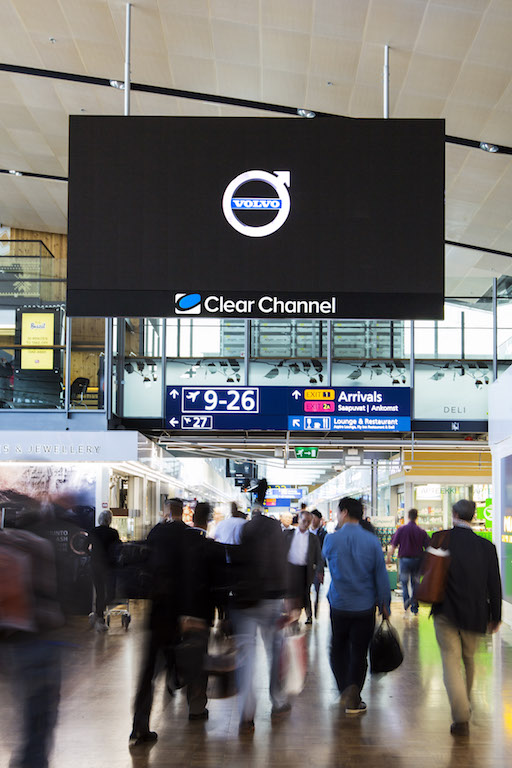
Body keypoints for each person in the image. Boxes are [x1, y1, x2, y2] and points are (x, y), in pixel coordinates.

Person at [431, 499, 502, 737]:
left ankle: (461, 716)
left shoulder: (440, 539)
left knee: (450, 661)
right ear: (473, 516)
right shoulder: (486, 547)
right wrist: (496, 616)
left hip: (445, 611)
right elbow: (494, 584)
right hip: (475, 612)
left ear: (453, 514)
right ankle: (466, 703)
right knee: (469, 659)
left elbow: (427, 571)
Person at [1, 525, 64, 768]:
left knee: (34, 721)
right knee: (38, 720)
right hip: (36, 640)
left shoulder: (17, 544)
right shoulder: (34, 544)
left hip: (22, 640)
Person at [322, 497, 391, 715]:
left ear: (344, 512)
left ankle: (344, 688)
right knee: (359, 653)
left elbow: (325, 559)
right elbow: (381, 575)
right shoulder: (372, 541)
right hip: (364, 606)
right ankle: (354, 696)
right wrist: (385, 604)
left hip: (339, 605)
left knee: (338, 648)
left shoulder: (331, 539)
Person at [130, 498, 188, 747]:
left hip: (157, 609)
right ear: (182, 511)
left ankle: (139, 724)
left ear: (166, 511)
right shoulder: (187, 535)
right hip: (179, 610)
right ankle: (178, 683)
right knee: (180, 655)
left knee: (148, 670)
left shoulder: (156, 532)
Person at [229, 503, 290, 732]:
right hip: (272, 600)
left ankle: (247, 710)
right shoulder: (276, 533)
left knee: (246, 655)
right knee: (275, 650)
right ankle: (278, 700)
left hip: (246, 601)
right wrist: (287, 598)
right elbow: (283, 566)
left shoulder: (244, 532)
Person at [179, 502, 227, 721]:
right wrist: (223, 613)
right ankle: (196, 706)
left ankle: (176, 686)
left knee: (180, 651)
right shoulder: (212, 548)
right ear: (208, 521)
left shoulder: (178, 544)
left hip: (177, 610)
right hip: (200, 612)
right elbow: (219, 584)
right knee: (199, 657)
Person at [386, 508, 430, 615]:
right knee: (415, 583)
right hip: (418, 560)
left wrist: (388, 558)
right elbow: (428, 548)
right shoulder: (421, 531)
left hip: (404, 560)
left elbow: (393, 546)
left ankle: (406, 603)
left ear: (408, 517)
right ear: (417, 517)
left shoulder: (401, 529)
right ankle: (414, 607)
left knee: (404, 582)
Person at [284, 509, 323, 625]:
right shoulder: (288, 534)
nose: (306, 524)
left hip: (305, 570)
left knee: (305, 594)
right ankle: (292, 617)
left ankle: (307, 614)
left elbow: (318, 556)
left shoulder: (313, 538)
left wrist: (320, 571)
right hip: (289, 570)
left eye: (308, 522)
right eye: (304, 521)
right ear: (299, 519)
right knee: (290, 594)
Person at [88, 510, 120, 631]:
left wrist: (92, 555)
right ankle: (99, 615)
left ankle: (99, 616)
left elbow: (84, 546)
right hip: (109, 566)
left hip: (95, 565)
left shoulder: (93, 531)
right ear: (109, 520)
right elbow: (118, 548)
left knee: (99, 592)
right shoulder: (113, 533)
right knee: (111, 594)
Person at [309, 510, 327, 619]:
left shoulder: (323, 534)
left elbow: (324, 552)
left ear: (320, 520)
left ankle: (315, 607)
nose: (313, 520)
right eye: (312, 517)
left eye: (315, 518)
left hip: (318, 566)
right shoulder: (306, 532)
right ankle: (309, 614)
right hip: (307, 566)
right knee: (306, 590)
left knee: (317, 589)